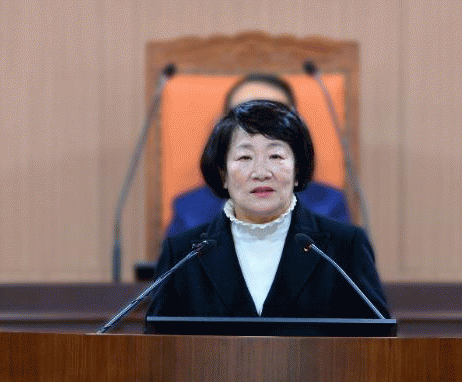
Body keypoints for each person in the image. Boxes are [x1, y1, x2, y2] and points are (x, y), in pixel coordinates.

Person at [145, 100, 390, 331]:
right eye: (245, 157)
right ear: (223, 174)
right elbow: (158, 348)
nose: (261, 172)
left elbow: (377, 343)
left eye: (276, 156)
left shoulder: (345, 247)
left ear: (297, 170)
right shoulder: (182, 254)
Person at [165, 73, 351, 237]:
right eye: (243, 117)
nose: (258, 131)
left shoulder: (327, 207)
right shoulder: (190, 212)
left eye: (272, 118)